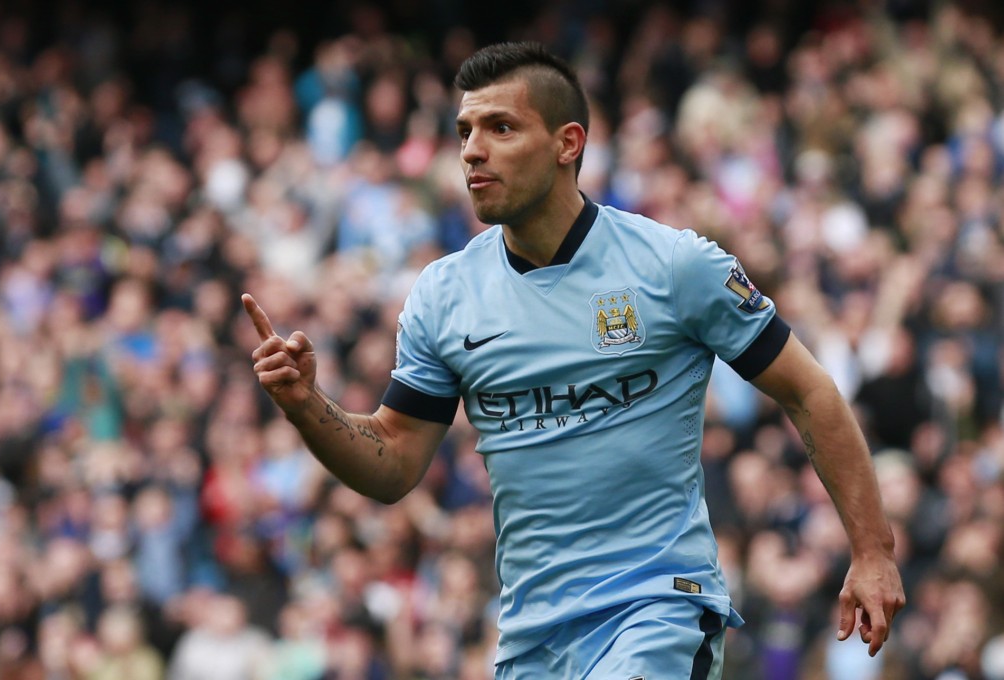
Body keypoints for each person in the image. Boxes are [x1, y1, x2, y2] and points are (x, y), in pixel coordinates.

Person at [243, 41, 905, 679]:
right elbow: (392, 463)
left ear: (568, 143)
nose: (473, 149)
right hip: (531, 635)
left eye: (501, 128)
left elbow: (808, 391)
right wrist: (307, 407)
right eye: (465, 130)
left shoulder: (674, 267)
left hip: (657, 609)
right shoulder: (443, 296)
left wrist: (871, 549)